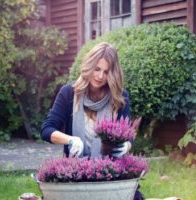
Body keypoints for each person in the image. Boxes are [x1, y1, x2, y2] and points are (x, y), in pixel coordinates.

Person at [41, 42, 144, 200]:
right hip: (76, 174)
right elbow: (47, 130)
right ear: (89, 66)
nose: (100, 76)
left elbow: (129, 136)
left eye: (106, 71)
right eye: (97, 69)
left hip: (111, 174)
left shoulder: (119, 98)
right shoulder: (69, 93)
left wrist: (126, 145)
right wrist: (71, 140)